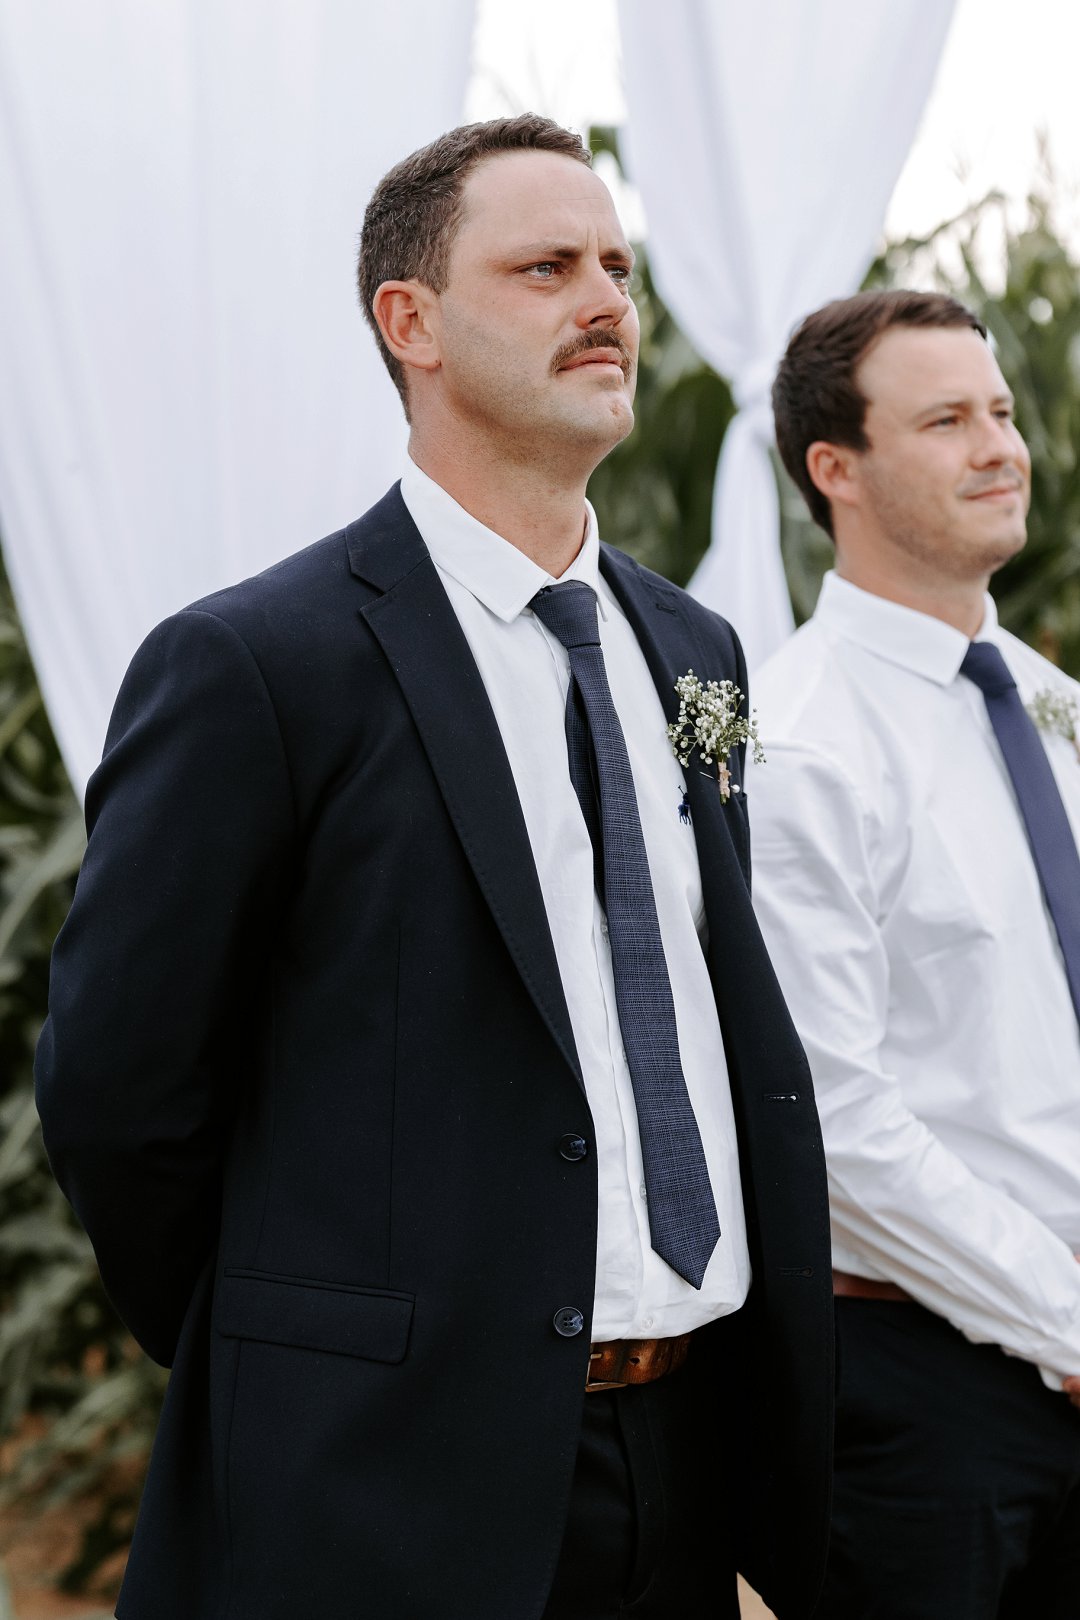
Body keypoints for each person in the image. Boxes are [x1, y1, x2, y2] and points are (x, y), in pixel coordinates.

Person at [35, 115, 832, 1620]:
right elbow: (120, 1094)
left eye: (617, 268)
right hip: (385, 1485)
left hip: (686, 1456)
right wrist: (303, 1350)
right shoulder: (258, 665)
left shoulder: (695, 651)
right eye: (546, 268)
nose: (605, 302)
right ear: (411, 322)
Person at [750, 287, 1080, 1618]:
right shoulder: (799, 745)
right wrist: (1066, 1319)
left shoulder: (1056, 713)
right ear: (836, 468)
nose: (1000, 447)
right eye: (946, 422)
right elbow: (834, 1122)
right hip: (926, 1393)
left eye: (999, 412)